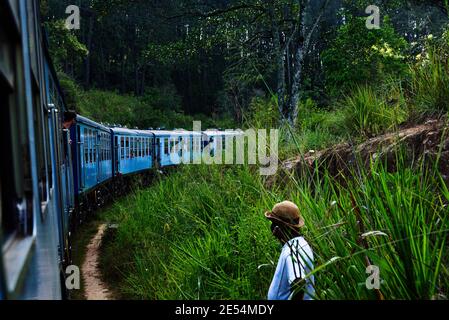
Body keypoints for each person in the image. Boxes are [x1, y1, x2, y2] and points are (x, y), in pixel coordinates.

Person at [265, 201, 315, 300]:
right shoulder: (299, 243)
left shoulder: (294, 250)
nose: (272, 228)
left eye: (273, 223)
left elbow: (299, 283)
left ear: (278, 227)